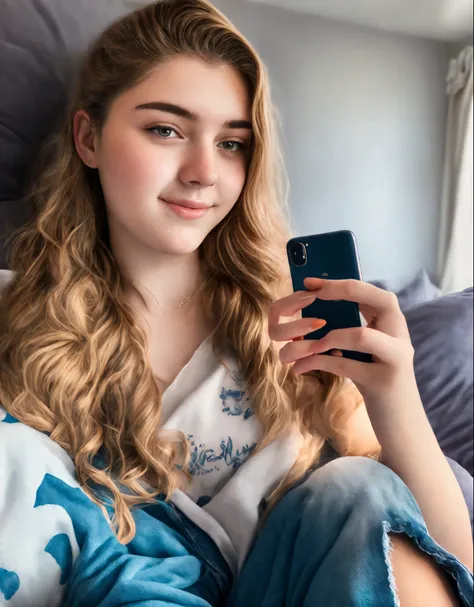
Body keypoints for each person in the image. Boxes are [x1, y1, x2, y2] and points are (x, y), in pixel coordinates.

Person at [0, 1, 472, 605]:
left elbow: (454, 563)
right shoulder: (17, 315)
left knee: (359, 485)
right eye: (165, 130)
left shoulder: (297, 326)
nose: (203, 172)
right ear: (89, 138)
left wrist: (393, 394)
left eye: (231, 143)